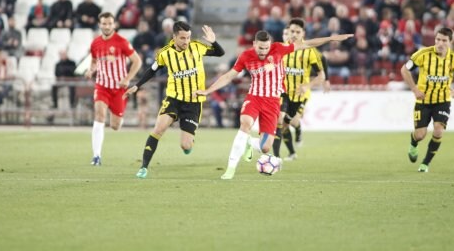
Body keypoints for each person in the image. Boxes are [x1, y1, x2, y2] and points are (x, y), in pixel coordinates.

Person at [195, 30, 352, 180]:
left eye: (266, 48)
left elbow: (308, 44)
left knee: (265, 148)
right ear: (254, 43)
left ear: (270, 45)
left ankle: (249, 142)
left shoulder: (279, 48)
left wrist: (331, 39)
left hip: (273, 102)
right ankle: (230, 169)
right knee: (245, 124)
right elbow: (229, 76)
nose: (263, 51)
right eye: (260, 48)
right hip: (254, 97)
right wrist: (208, 90)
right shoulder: (246, 56)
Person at [124, 22, 225, 179]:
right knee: (158, 129)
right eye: (183, 38)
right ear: (174, 37)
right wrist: (137, 86)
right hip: (174, 98)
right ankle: (144, 167)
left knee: (185, 145)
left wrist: (213, 41)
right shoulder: (165, 53)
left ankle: (189, 143)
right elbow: (152, 70)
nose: (186, 41)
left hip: (193, 102)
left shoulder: (197, 47)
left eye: (188, 37)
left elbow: (220, 53)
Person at [400, 27, 454, 173]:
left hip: (442, 100)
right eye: (438, 39)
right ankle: (413, 144)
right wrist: (414, 89)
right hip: (423, 101)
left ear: (450, 42)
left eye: (444, 40)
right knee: (420, 135)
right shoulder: (423, 54)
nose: (440, 43)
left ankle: (425, 163)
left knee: (438, 131)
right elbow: (404, 70)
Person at [85, 12, 143, 166]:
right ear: (99, 25)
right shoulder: (95, 43)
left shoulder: (122, 42)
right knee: (99, 114)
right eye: (104, 23)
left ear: (114, 24)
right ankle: (96, 156)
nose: (106, 26)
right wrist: (91, 70)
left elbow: (137, 61)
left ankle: (117, 116)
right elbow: (94, 61)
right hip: (102, 86)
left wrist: (127, 78)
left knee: (115, 126)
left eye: (109, 23)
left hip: (119, 89)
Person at [273, 19, 329, 161]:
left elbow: (321, 71)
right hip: (283, 92)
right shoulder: (279, 49)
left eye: (297, 32)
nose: (293, 34)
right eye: (291, 31)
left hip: (300, 94)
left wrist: (308, 85)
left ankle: (297, 133)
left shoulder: (309, 51)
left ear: (303, 33)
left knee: (291, 122)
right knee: (279, 121)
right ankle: (280, 156)